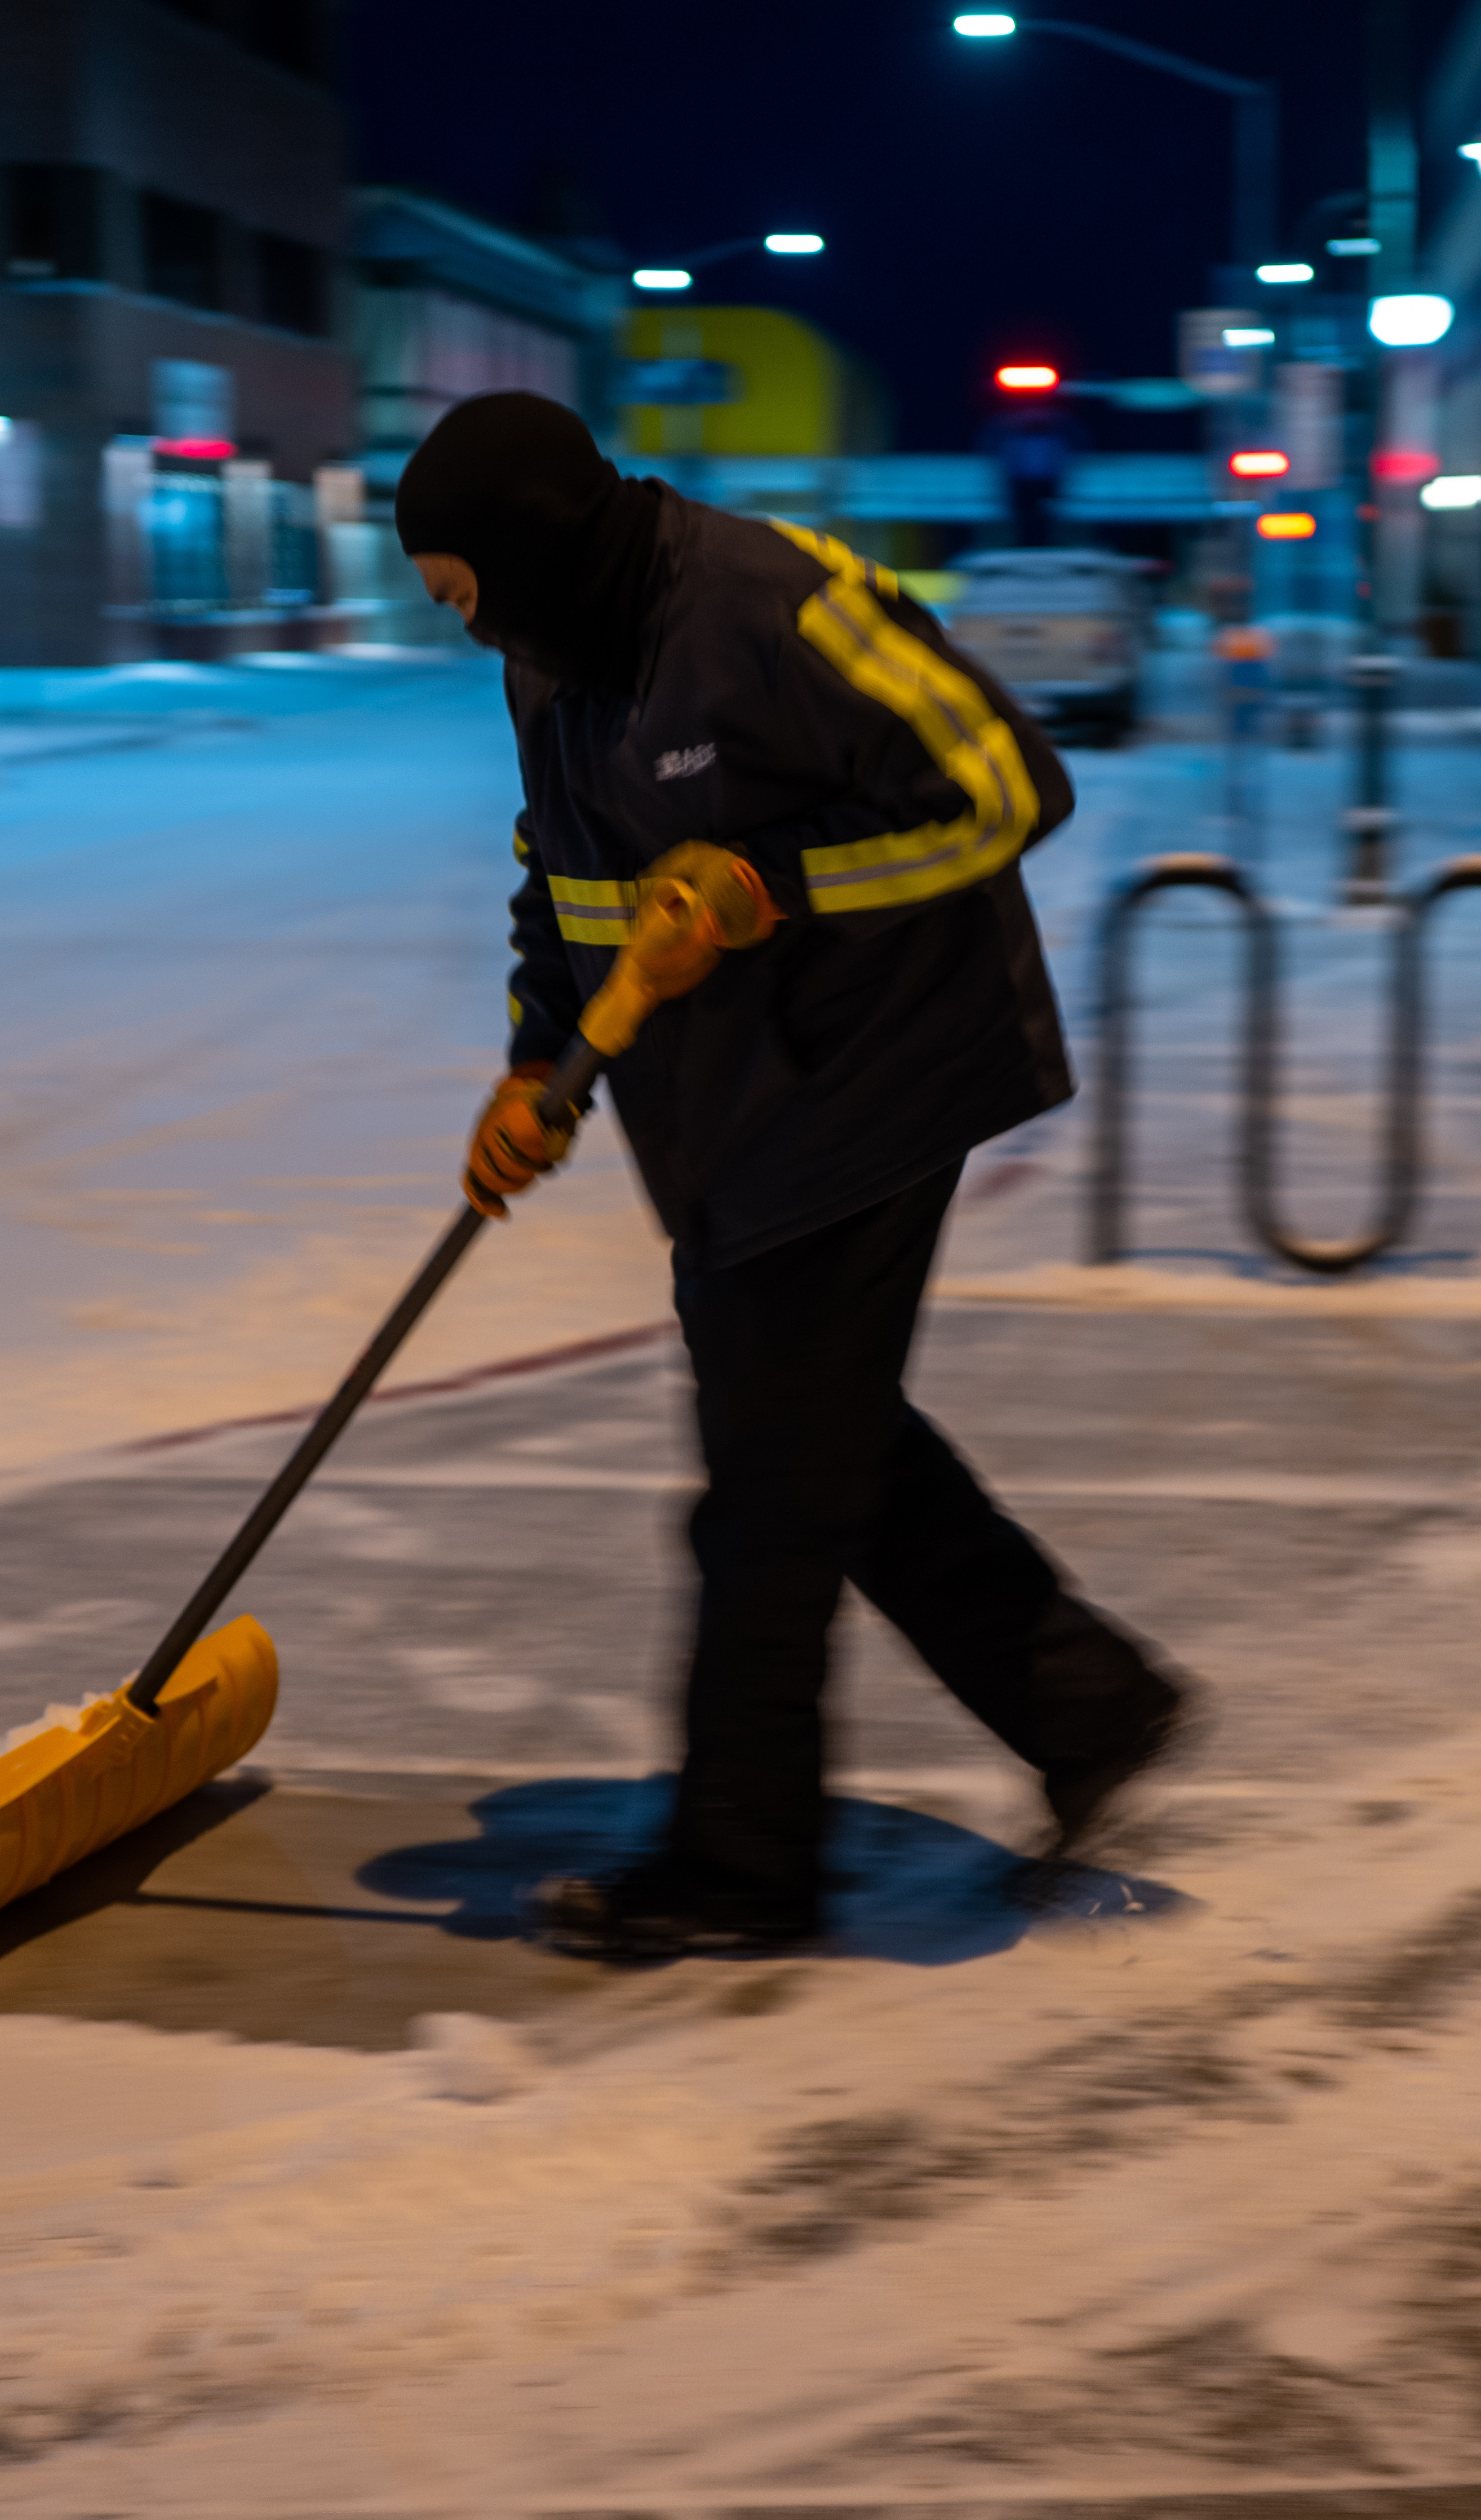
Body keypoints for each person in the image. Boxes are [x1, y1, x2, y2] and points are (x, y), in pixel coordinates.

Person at [392, 391, 1186, 1960]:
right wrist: (534, 1073)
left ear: (533, 547)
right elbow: (566, 882)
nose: (466, 632)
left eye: (464, 594)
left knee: (768, 1490)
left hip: (883, 1075)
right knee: (824, 1446)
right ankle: (1090, 1708)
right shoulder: (547, 660)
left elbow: (1011, 786)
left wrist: (772, 887)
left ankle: (739, 1863)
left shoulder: (785, 603)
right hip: (724, 1115)